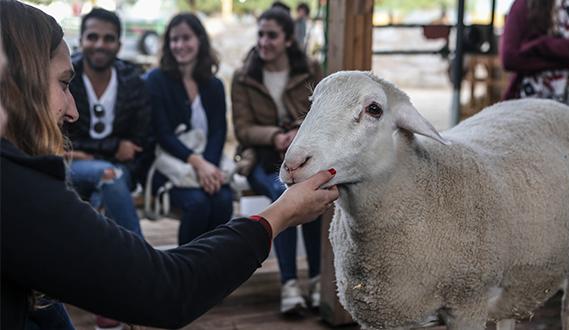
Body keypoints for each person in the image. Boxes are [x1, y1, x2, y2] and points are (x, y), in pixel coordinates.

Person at [0, 2, 339, 330]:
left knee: (218, 199)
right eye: (62, 83)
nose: (73, 110)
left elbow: (217, 130)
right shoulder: (16, 193)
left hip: (199, 168)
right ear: (15, 81)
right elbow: (169, 288)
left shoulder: (210, 84)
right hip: (173, 171)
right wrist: (281, 213)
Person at [231, 7, 324, 314]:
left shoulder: (309, 71)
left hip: (304, 155)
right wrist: (275, 136)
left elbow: (323, 115)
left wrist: (300, 132)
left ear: (287, 39)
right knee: (284, 193)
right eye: (260, 34)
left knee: (314, 195)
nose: (264, 41)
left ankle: (315, 279)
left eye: (272, 35)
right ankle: (289, 285)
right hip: (263, 157)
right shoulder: (244, 77)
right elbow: (242, 128)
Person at [145, 13, 234, 245]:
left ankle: (215, 266)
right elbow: (163, 134)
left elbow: (218, 131)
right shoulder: (156, 80)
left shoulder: (213, 85)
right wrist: (199, 165)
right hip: (166, 165)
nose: (180, 45)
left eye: (186, 38)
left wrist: (210, 169)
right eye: (174, 40)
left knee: (223, 200)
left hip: (206, 163)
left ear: (200, 41)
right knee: (198, 204)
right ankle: (186, 271)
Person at [64, 8, 150, 239]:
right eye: (92, 36)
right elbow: (60, 139)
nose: (100, 44)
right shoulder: (66, 78)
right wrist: (113, 147)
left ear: (119, 45)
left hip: (120, 171)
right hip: (72, 165)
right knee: (110, 174)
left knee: (109, 182)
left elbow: (139, 143)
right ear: (81, 41)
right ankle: (142, 263)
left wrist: (87, 152)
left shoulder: (133, 81)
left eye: (108, 38)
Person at [501, 0, 569, 110]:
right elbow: (509, 58)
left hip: (567, 104)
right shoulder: (523, 4)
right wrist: (565, 59)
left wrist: (540, 47)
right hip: (523, 104)